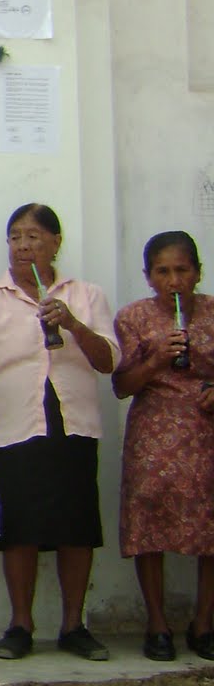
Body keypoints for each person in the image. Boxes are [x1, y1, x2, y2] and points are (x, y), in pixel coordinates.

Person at [0, 203, 119, 662]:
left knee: (77, 528)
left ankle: (74, 625)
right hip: (12, 428)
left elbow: (109, 361)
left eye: (34, 237)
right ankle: (20, 625)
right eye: (16, 237)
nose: (24, 246)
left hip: (72, 425)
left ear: (56, 242)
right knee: (19, 529)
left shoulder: (86, 295)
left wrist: (71, 323)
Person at [112, 230, 214, 661]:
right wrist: (154, 359)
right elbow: (121, 386)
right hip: (153, 432)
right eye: (162, 272)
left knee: (211, 527)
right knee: (147, 525)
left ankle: (204, 623)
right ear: (149, 277)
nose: (173, 280)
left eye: (181, 270)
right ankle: (157, 624)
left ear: (197, 272)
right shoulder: (133, 317)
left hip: (205, 431)